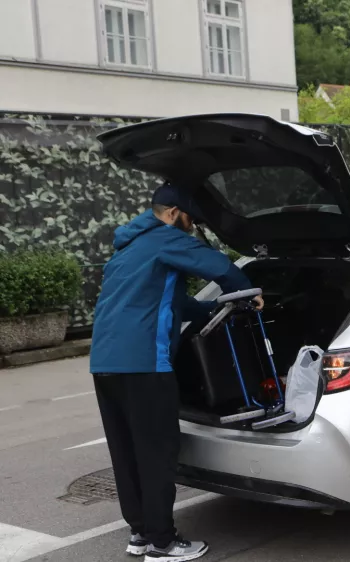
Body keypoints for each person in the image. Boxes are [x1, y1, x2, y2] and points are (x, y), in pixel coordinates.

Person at [89, 183, 262, 562]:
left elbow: (174, 301)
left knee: (127, 451)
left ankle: (140, 533)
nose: (192, 227)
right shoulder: (166, 238)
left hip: (104, 362)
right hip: (144, 363)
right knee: (157, 450)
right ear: (172, 213)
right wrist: (248, 293)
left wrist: (213, 308)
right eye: (190, 219)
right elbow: (220, 266)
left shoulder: (131, 247)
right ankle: (163, 543)